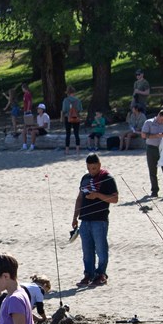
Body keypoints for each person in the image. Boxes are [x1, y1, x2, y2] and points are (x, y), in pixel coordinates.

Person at [72, 153, 119, 287]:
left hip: (100, 219)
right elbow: (80, 198)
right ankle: (88, 274)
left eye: (94, 168)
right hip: (85, 219)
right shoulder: (85, 178)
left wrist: (97, 195)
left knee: (101, 249)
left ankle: (101, 274)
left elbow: (115, 199)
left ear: (99, 165)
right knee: (87, 250)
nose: (92, 171)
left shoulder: (108, 178)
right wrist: (75, 217)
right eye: (89, 168)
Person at [60, 86, 83, 154]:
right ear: (74, 92)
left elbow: (64, 110)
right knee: (76, 134)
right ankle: (77, 150)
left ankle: (67, 150)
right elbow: (80, 109)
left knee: (68, 134)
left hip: (68, 117)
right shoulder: (78, 100)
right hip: (76, 117)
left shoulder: (65, 100)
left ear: (68, 93)